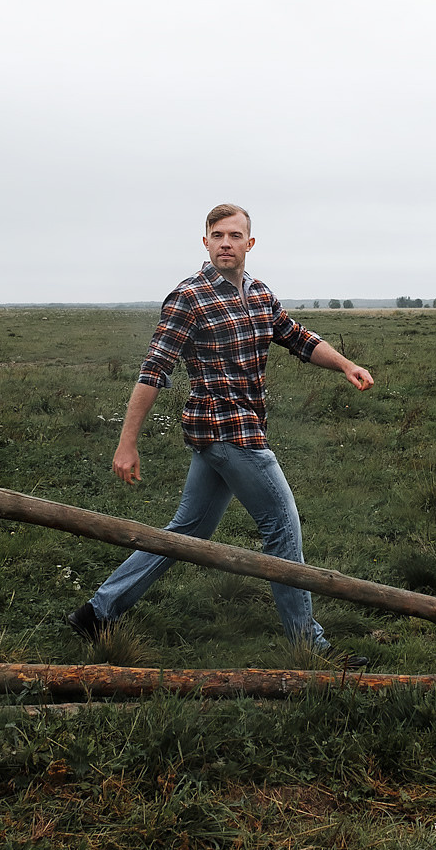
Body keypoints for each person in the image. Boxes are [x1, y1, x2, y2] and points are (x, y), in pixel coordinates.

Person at [65, 203, 374, 660]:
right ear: (205, 242)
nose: (225, 243)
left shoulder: (259, 294)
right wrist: (126, 442)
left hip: (222, 435)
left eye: (234, 235)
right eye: (216, 235)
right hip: (230, 433)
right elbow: (154, 369)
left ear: (249, 244)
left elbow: (296, 337)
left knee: (186, 532)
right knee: (282, 529)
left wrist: (346, 364)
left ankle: (98, 611)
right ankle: (309, 645)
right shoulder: (189, 297)